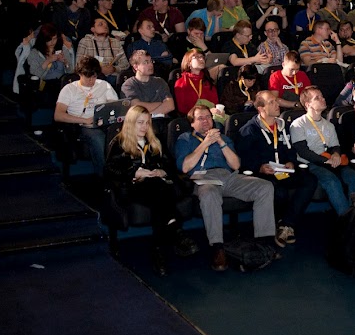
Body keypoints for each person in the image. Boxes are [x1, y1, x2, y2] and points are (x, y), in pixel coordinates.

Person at [175, 105, 279, 271]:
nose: (205, 121)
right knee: (209, 193)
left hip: (227, 177)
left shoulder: (224, 138)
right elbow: (185, 167)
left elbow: (236, 164)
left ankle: (263, 243)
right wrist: (205, 143)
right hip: (203, 179)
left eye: (208, 117)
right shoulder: (185, 138)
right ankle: (218, 248)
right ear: (192, 124)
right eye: (200, 118)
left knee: (265, 186)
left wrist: (221, 142)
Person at [104, 105, 199, 276]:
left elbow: (169, 164)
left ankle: (158, 250)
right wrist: (134, 172)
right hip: (133, 187)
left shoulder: (155, 141)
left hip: (157, 186)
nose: (144, 127)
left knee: (159, 193)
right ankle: (175, 231)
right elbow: (110, 170)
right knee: (160, 190)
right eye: (140, 123)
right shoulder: (119, 143)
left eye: (147, 123)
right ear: (130, 123)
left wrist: (162, 171)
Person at [237, 90, 320, 247]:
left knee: (310, 180)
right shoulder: (250, 130)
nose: (277, 105)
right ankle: (281, 224)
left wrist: (290, 162)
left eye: (276, 101)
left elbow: (290, 150)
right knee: (277, 190)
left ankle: (286, 225)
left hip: (283, 170)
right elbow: (243, 158)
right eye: (272, 102)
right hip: (263, 173)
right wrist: (259, 167)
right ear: (261, 109)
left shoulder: (283, 126)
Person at [290, 85, 355, 216]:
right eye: (317, 98)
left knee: (352, 176)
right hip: (311, 164)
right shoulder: (298, 124)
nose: (323, 99)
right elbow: (303, 152)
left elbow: (335, 146)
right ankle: (347, 219)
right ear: (308, 104)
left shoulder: (328, 125)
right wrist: (326, 160)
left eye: (322, 96)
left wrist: (336, 154)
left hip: (329, 159)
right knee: (331, 181)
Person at [53, 56, 120, 177]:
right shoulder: (69, 89)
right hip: (82, 126)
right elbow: (58, 115)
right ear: (80, 73)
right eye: (87, 77)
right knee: (98, 138)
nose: (91, 81)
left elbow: (115, 106)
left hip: (106, 123)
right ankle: (105, 176)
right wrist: (85, 120)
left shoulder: (104, 85)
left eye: (94, 77)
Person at [120, 50, 176, 135]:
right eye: (145, 62)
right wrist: (161, 103)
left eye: (151, 61)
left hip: (162, 121)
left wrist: (150, 114)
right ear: (136, 67)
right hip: (140, 124)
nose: (150, 65)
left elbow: (170, 105)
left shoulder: (160, 81)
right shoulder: (128, 85)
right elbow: (137, 107)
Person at [75, 17, 129, 86]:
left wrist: (115, 69)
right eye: (101, 24)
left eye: (106, 24)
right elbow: (78, 65)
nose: (105, 26)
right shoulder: (85, 42)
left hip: (113, 77)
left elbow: (126, 64)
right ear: (93, 29)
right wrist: (98, 69)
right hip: (93, 78)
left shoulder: (115, 42)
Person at [173, 49, 219, 115]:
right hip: (193, 116)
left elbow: (215, 102)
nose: (201, 59)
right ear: (189, 63)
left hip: (212, 114)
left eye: (202, 57)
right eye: (197, 57)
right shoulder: (181, 82)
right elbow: (182, 108)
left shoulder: (207, 80)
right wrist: (205, 111)